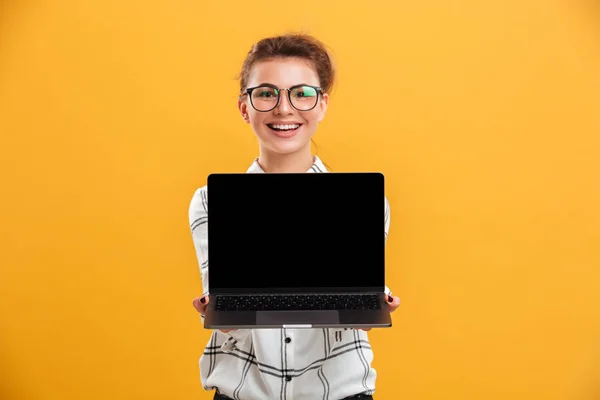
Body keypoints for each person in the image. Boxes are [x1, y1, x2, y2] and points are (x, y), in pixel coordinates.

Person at [189, 33, 401, 400]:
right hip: (244, 392)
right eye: (266, 93)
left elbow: (355, 315)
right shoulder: (210, 202)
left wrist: (371, 305)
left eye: (301, 93)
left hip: (341, 393)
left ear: (321, 105)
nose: (284, 109)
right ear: (244, 107)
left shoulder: (363, 203)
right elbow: (229, 319)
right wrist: (218, 311)